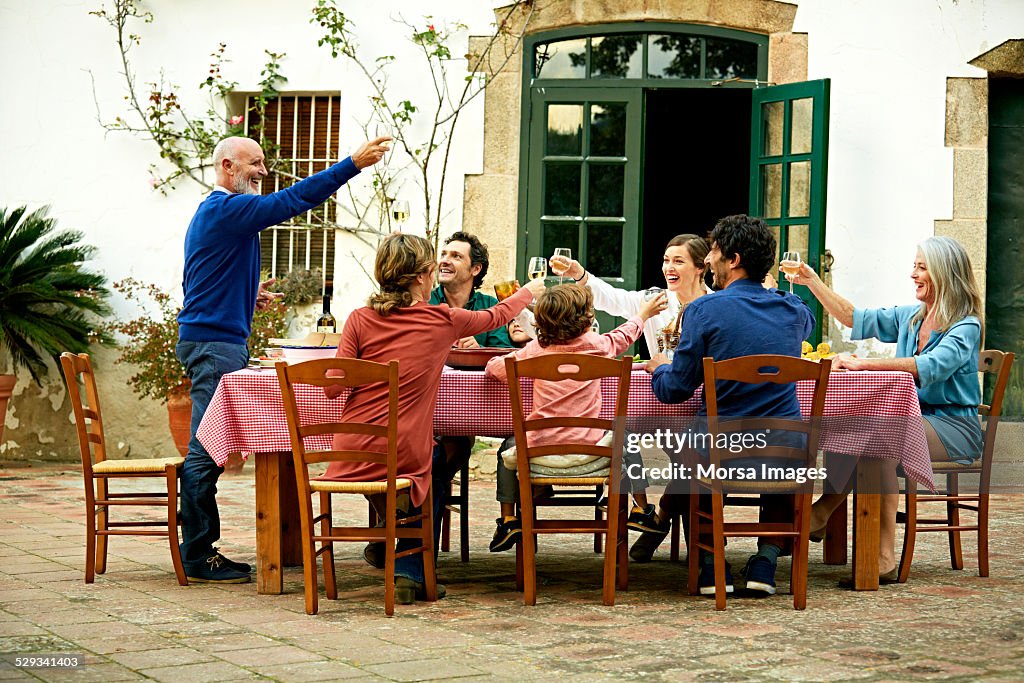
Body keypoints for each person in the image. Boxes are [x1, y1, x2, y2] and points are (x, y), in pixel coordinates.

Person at [175, 134, 390, 583]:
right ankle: (197, 553)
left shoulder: (213, 214)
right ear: (228, 166)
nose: (263, 172)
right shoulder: (226, 209)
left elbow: (201, 272)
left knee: (209, 446)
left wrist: (243, 294)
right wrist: (351, 164)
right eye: (255, 164)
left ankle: (198, 548)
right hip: (215, 345)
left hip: (214, 338)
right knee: (206, 451)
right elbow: (293, 200)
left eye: (264, 164)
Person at [322, 233, 546, 604]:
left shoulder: (360, 319)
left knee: (427, 461)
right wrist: (529, 291)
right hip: (405, 451)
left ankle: (397, 549)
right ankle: (410, 566)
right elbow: (498, 316)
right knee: (435, 463)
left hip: (350, 454)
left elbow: (332, 387)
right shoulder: (441, 319)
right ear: (420, 277)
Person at [785, 235, 984, 583]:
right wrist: (812, 281)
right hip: (913, 419)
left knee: (879, 439)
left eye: (922, 268)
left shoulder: (966, 325)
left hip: (954, 426)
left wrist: (865, 366)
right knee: (854, 426)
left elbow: (930, 366)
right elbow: (853, 317)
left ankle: (877, 554)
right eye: (915, 266)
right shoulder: (911, 317)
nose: (913, 274)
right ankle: (829, 522)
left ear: (944, 274)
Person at [645, 214, 815, 596]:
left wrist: (659, 368)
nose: (708, 260)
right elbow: (807, 316)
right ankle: (766, 561)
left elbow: (675, 389)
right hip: (784, 449)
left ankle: (709, 564)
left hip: (721, 449)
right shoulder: (793, 310)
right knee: (781, 436)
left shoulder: (703, 311)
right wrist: (782, 291)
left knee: (694, 450)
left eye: (715, 252)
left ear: (733, 259)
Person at [484, 283, 668, 552]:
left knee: (508, 446)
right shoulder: (599, 345)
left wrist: (499, 359)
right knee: (625, 439)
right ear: (587, 319)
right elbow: (623, 336)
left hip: (538, 450)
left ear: (540, 322)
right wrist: (642, 315)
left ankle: (509, 518)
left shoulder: (534, 350)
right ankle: (641, 507)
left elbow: (495, 370)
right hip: (592, 451)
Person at [551, 235, 711, 536]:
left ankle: (662, 520)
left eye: (678, 261)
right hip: (665, 403)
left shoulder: (718, 304)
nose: (668, 267)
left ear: (701, 267)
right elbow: (611, 298)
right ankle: (688, 547)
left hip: (704, 409)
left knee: (691, 464)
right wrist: (578, 274)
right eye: (666, 260)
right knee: (652, 448)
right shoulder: (656, 301)